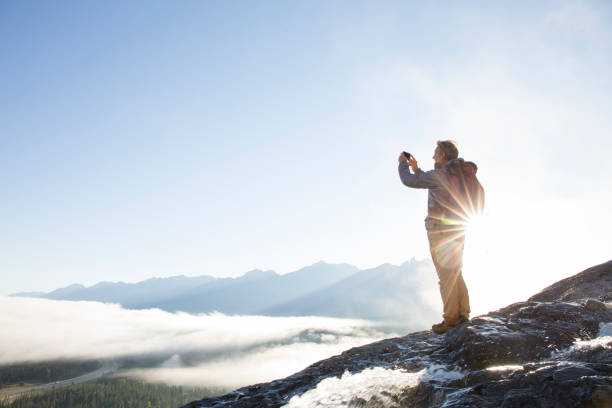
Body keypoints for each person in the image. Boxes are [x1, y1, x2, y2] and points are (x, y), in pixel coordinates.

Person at [398, 140, 475, 334]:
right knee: (455, 271)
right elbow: (427, 179)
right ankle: (463, 313)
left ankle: (450, 320)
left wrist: (403, 164)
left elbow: (409, 181)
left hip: (440, 230)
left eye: (435, 153)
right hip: (458, 228)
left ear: (442, 155)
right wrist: (418, 169)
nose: (433, 156)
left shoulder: (441, 175)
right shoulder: (458, 174)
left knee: (446, 276)